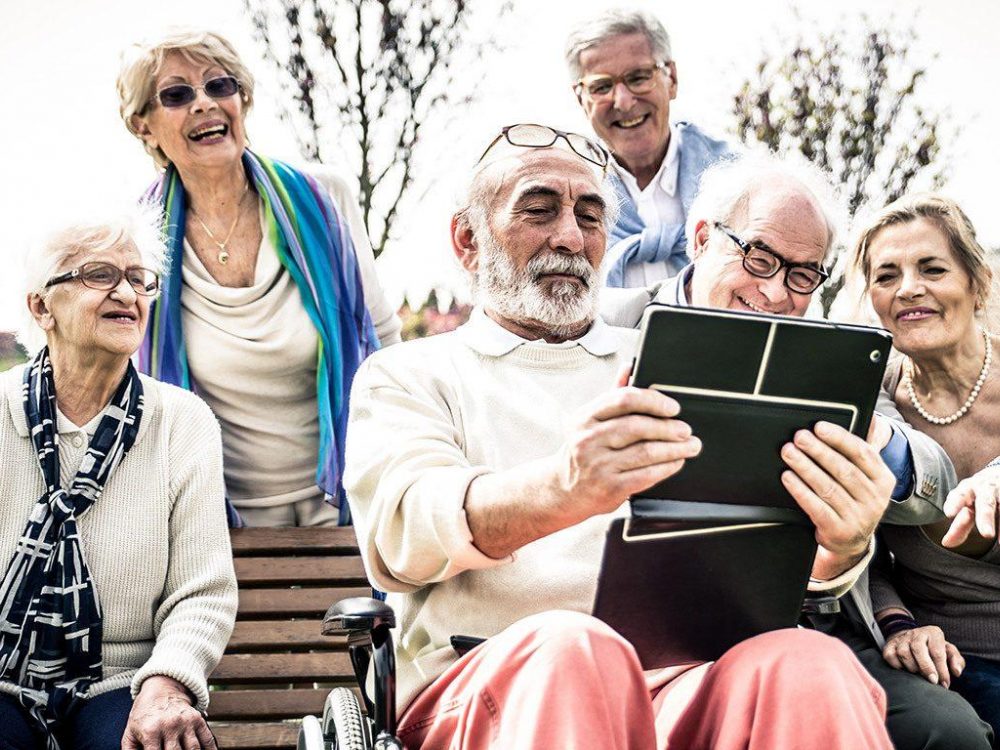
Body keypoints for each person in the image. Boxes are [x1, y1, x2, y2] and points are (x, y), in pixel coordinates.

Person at [344, 125, 895, 749]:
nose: (571, 238)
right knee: (576, 649)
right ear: (469, 240)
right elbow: (402, 535)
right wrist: (563, 488)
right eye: (540, 209)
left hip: (677, 683)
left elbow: (762, 551)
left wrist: (841, 546)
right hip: (493, 682)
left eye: (590, 215)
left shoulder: (677, 363)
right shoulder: (411, 374)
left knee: (809, 665)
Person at [603, 158, 993, 748]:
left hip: (812, 616)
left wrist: (865, 443)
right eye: (758, 258)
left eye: (803, 275)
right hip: (650, 625)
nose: (774, 292)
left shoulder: (828, 353)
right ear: (703, 237)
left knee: (950, 731)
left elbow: (931, 472)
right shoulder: (606, 330)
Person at [116, 29, 402, 528]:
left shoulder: (325, 197)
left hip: (350, 498)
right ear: (144, 126)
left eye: (219, 86)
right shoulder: (137, 238)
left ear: (241, 100)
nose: (204, 103)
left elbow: (384, 342)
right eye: (177, 94)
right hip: (216, 516)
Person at [0, 206, 237, 749]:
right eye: (99, 275)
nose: (127, 295)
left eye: (138, 279)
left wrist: (166, 683)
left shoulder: (182, 421)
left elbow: (201, 591)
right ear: (42, 306)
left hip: (124, 684)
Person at [852, 193, 1000, 746]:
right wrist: (899, 623)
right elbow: (858, 547)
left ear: (977, 282)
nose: (908, 287)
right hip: (949, 661)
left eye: (932, 269)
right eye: (887, 275)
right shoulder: (870, 402)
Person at [565, 8, 737, 288]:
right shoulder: (565, 196)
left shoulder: (739, 181)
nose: (622, 101)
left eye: (638, 77)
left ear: (672, 78)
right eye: (601, 86)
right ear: (580, 98)